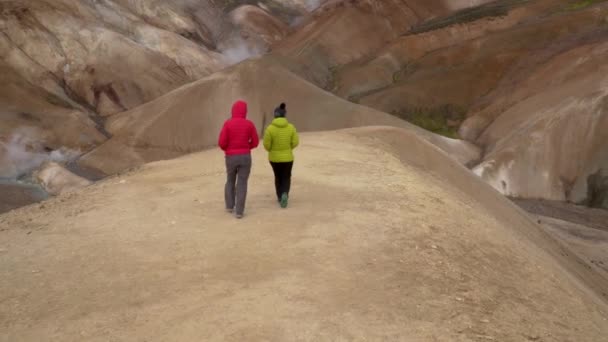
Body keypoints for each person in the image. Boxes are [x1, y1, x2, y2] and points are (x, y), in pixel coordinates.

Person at [218, 100, 259, 219]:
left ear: (233, 110)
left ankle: (230, 206)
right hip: (245, 157)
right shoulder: (249, 124)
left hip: (230, 157)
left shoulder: (227, 124)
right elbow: (255, 142)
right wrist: (247, 147)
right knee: (242, 182)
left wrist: (228, 149)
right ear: (245, 111)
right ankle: (239, 211)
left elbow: (221, 143)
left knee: (230, 180)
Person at [263, 103, 299, 208]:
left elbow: (266, 145)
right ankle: (285, 194)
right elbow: (295, 142)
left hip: (274, 158)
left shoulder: (270, 129)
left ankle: (279, 196)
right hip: (288, 158)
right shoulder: (291, 127)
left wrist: (272, 150)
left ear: (275, 116)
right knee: (286, 177)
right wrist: (289, 148)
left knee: (277, 176)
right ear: (284, 115)